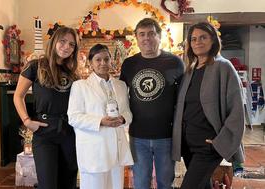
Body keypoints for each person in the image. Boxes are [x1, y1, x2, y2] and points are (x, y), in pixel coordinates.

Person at [172, 22, 245, 189]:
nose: (198, 42)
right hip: (189, 145)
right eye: (194, 39)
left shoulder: (223, 67)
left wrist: (220, 142)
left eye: (203, 37)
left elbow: (236, 111)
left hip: (209, 146)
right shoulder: (190, 70)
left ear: (213, 40)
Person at [120, 18, 184, 189]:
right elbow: (119, 96)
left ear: (159, 36)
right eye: (142, 34)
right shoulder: (129, 64)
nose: (146, 38)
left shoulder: (175, 62)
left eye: (151, 33)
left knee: (165, 183)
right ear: (137, 38)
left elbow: (184, 98)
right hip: (138, 136)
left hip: (166, 136)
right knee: (140, 183)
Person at [13, 26, 79, 189]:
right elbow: (18, 96)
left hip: (69, 132)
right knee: (48, 184)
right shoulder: (36, 66)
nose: (66, 47)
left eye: (71, 44)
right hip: (45, 132)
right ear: (54, 41)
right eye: (63, 41)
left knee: (68, 182)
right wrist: (27, 121)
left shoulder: (72, 72)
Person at [67, 44, 133, 189]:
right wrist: (100, 121)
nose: (103, 63)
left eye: (106, 59)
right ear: (90, 63)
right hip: (95, 149)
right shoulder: (80, 86)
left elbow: (128, 112)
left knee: (116, 186)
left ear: (111, 61)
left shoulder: (121, 85)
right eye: (98, 60)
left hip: (116, 148)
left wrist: (122, 119)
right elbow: (73, 117)